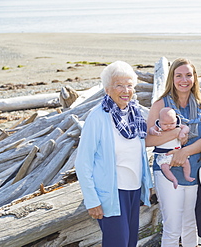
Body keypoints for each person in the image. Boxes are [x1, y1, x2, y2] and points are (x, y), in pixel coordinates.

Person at [75, 61, 153, 247]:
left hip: (134, 191)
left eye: (129, 86)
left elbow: (140, 152)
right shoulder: (98, 117)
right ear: (107, 89)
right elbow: (82, 162)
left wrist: (147, 184)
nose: (126, 90)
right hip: (111, 193)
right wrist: (92, 200)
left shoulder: (134, 113)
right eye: (119, 85)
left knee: (130, 242)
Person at [146, 58, 201, 247]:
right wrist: (175, 132)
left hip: (193, 171)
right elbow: (148, 140)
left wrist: (185, 152)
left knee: (190, 224)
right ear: (172, 78)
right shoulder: (160, 105)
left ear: (195, 78)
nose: (184, 80)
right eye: (179, 75)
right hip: (167, 171)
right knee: (172, 226)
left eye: (188, 75)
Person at [149, 107, 194, 189]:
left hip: (178, 153)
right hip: (164, 155)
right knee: (164, 167)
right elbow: (151, 129)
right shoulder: (158, 126)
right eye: (165, 124)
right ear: (160, 122)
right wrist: (154, 132)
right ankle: (173, 179)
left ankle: (187, 176)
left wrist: (182, 133)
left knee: (186, 163)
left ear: (175, 121)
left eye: (172, 123)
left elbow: (186, 128)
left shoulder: (177, 124)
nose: (169, 126)